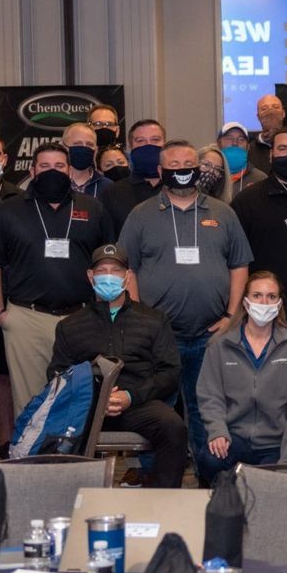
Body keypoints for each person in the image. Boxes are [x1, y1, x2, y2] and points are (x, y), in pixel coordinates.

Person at [118, 139, 253, 482]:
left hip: (210, 333)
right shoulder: (141, 214)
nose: (182, 170)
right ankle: (155, 479)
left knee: (206, 408)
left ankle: (210, 477)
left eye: (189, 164)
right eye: (174, 165)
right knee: (157, 411)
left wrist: (231, 314)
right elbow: (126, 267)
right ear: (161, 170)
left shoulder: (223, 213)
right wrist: (139, 318)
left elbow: (239, 264)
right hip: (159, 337)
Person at [0, 142, 114, 396]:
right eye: (44, 166)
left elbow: (107, 263)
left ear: (70, 171)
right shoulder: (9, 210)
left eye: (59, 166)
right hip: (27, 319)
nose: (52, 171)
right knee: (30, 401)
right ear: (32, 171)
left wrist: (103, 311)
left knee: (78, 398)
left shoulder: (93, 208)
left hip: (81, 318)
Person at [49, 244, 187, 486]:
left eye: (116, 271)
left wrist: (130, 396)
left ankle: (163, 497)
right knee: (59, 428)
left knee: (173, 426)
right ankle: (76, 496)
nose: (109, 276)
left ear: (128, 276)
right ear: (90, 276)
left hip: (137, 404)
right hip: (87, 408)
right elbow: (57, 374)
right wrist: (94, 398)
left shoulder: (154, 320)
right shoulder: (69, 326)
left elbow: (170, 372)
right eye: (102, 271)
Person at [196, 270, 287, 476]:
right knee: (209, 459)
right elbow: (210, 395)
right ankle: (229, 493)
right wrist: (217, 430)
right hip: (235, 439)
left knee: (271, 487)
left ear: (279, 304)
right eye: (257, 295)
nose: (264, 303)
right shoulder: (220, 344)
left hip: (276, 445)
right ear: (245, 302)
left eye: (271, 296)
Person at [230, 126, 287, 334]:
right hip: (264, 312)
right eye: (282, 149)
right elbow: (235, 260)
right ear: (271, 155)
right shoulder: (246, 201)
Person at [102, 118, 167, 234]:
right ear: (130, 148)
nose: (148, 145)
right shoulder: (112, 193)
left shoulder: (178, 189)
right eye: (140, 141)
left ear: (165, 145)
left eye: (155, 140)